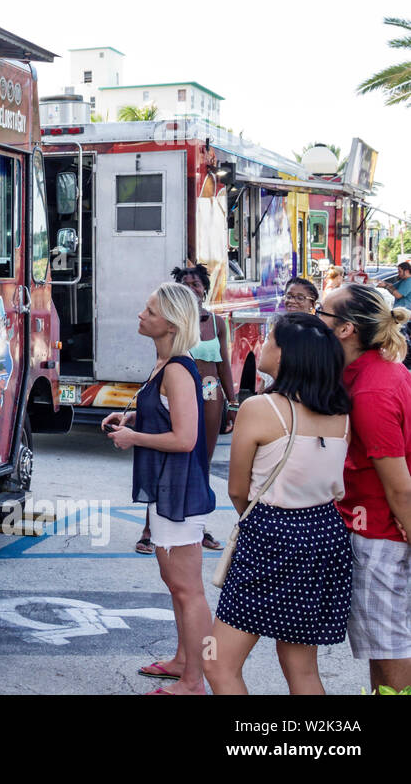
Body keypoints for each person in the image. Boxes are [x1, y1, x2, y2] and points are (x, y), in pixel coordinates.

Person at [205, 313, 353, 695]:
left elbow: (239, 491)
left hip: (272, 534)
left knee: (218, 662)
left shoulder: (261, 408)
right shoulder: (340, 413)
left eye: (270, 340)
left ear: (286, 355)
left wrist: (266, 526)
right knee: (301, 667)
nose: (261, 346)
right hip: (325, 533)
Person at [104, 282, 215, 695]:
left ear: (169, 323)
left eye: (148, 311)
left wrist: (135, 439)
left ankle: (194, 680)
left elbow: (185, 439)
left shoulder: (176, 369)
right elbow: (168, 420)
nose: (140, 315)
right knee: (175, 582)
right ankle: (183, 661)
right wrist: (131, 421)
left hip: (179, 490)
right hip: (168, 487)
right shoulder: (165, 364)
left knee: (188, 589)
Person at [316, 284, 411, 693]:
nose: (315, 317)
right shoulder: (376, 371)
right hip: (377, 528)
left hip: (381, 536)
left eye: (322, 311)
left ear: (345, 330)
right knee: (383, 646)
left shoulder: (371, 388)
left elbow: (399, 485)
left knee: (389, 646)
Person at [135, 264, 230, 555]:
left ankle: (196, 525)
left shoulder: (215, 323)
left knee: (201, 458)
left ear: (205, 288)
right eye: (186, 284)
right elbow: (161, 366)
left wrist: (233, 401)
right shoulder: (173, 326)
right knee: (166, 459)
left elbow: (223, 362)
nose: (192, 288)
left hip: (210, 386)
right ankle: (151, 527)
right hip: (182, 388)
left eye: (197, 284)